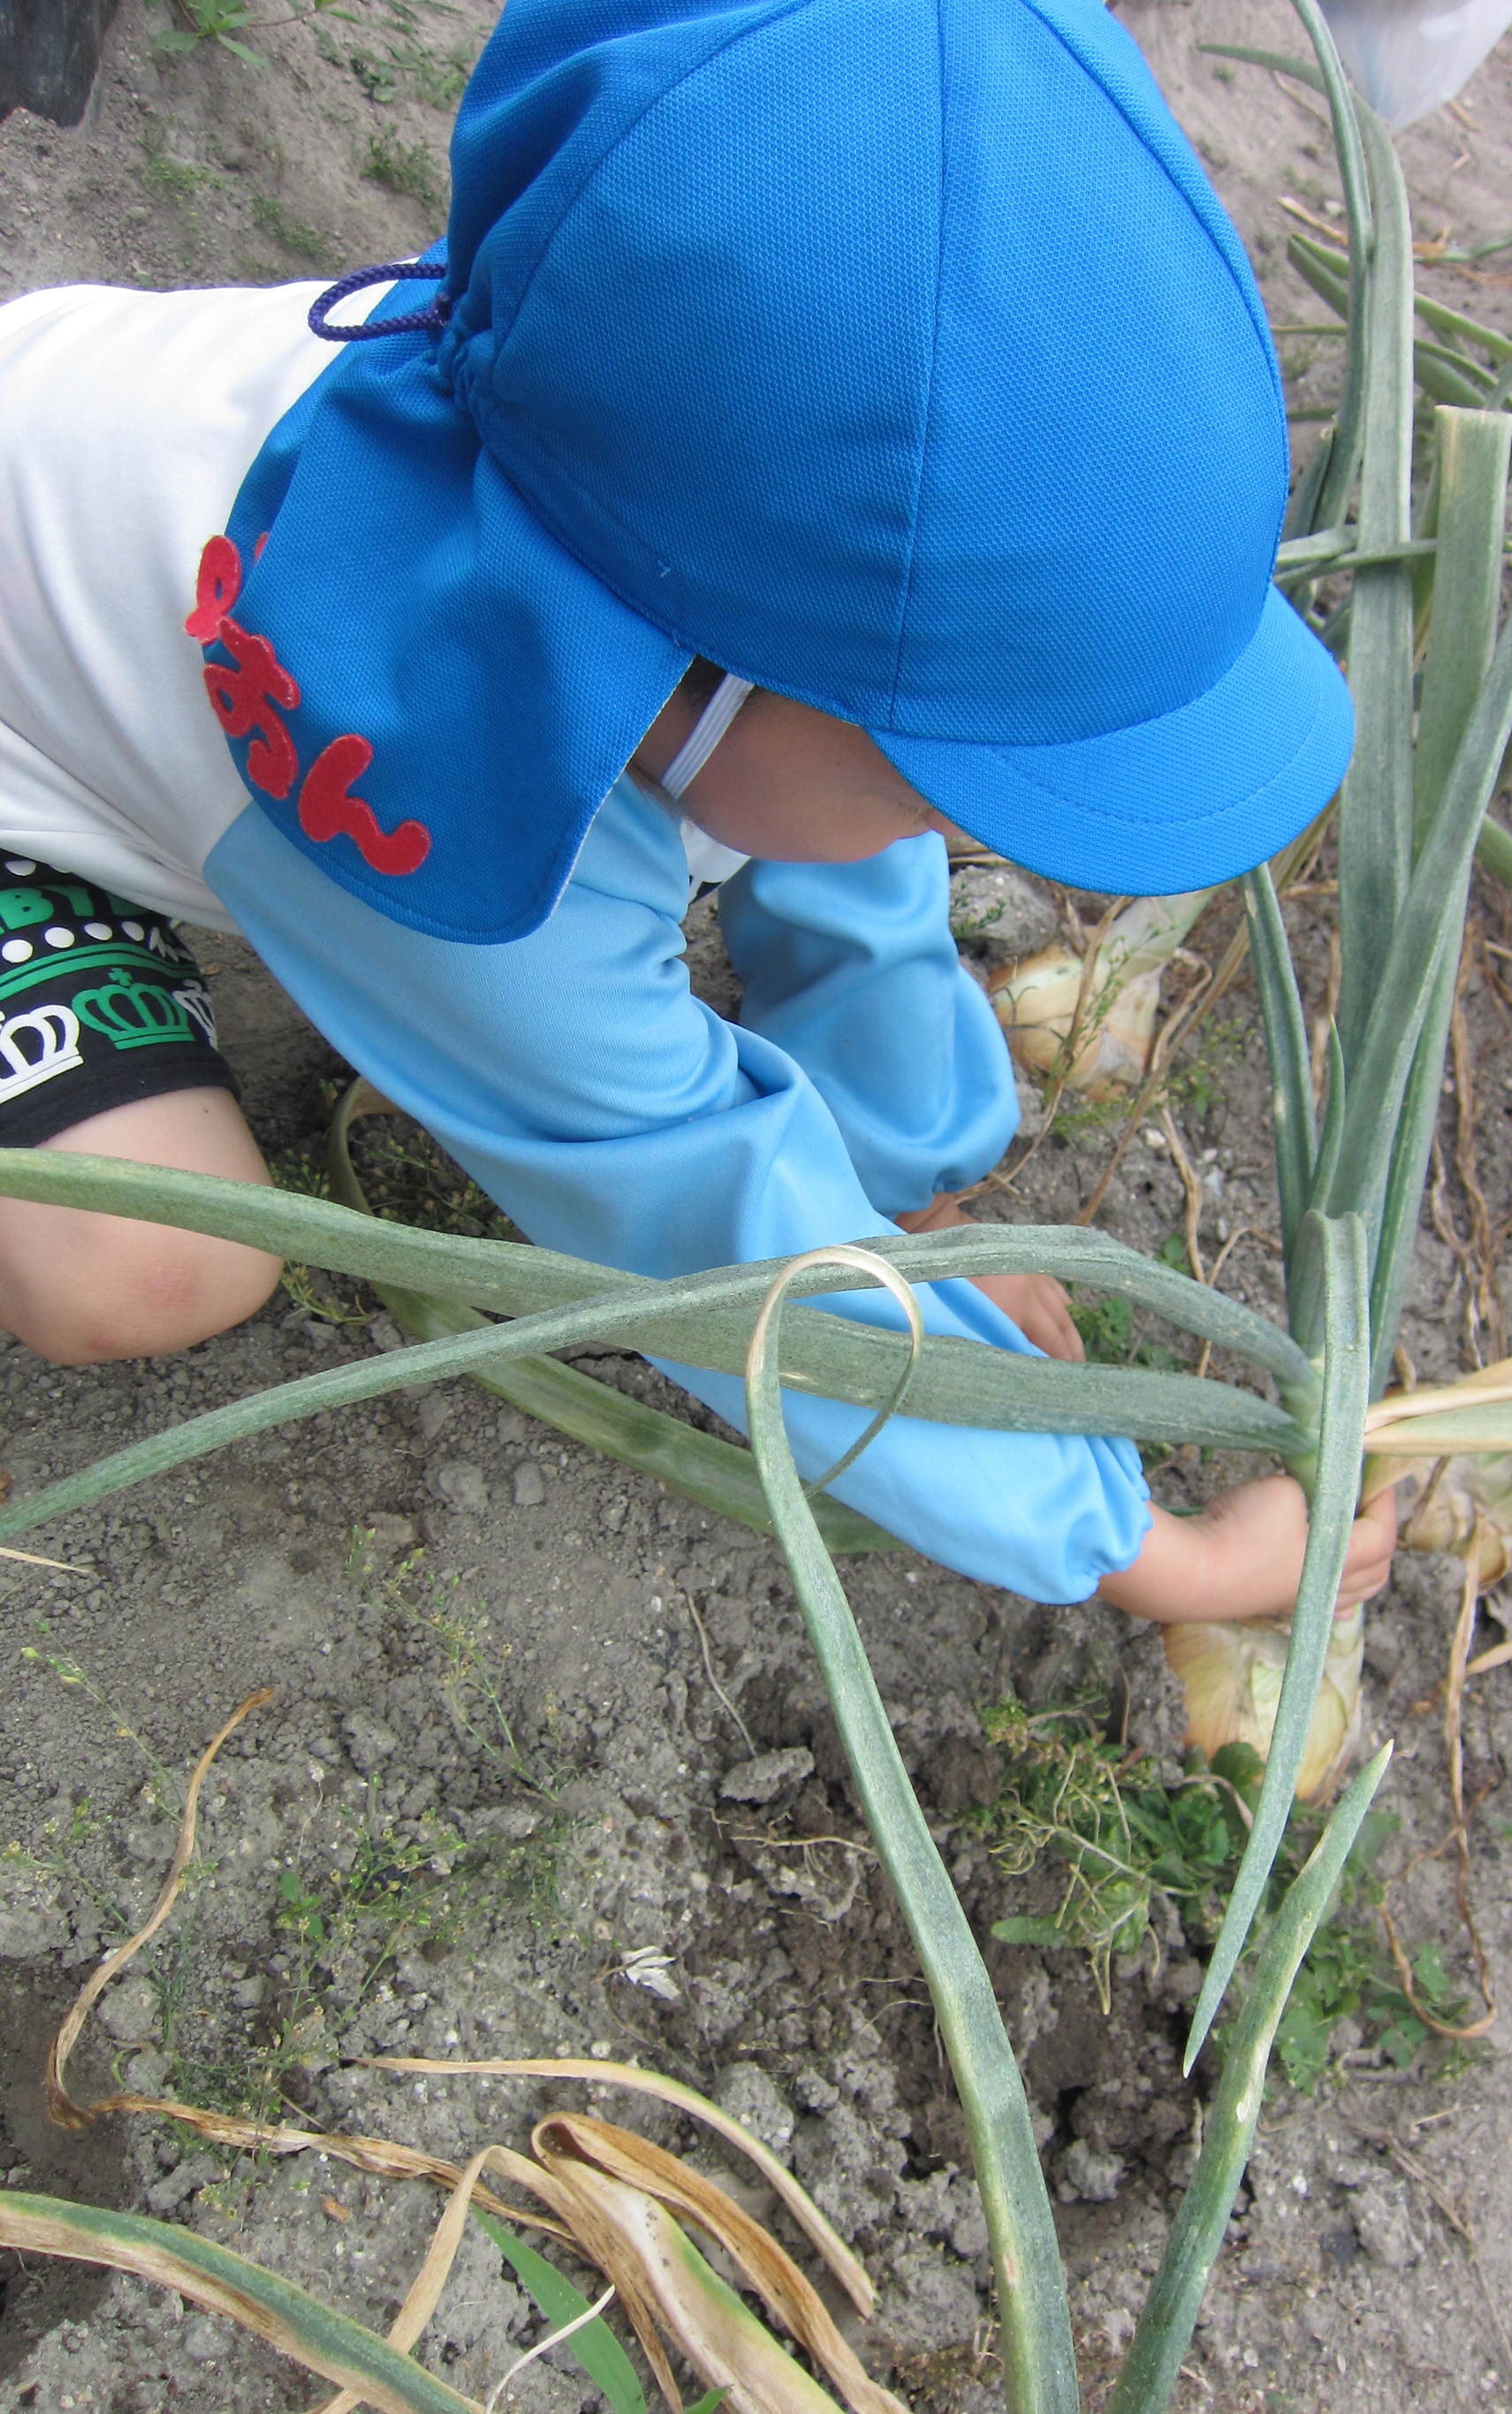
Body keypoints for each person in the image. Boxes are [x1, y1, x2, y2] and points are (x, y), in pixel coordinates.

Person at [0, 0, 1396, 1628]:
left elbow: (845, 854)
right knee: (151, 1266)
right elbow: (706, 1235)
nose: (963, 837)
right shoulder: (436, 801)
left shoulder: (677, 445)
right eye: (944, 783)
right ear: (725, 670)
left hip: (101, 527)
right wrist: (1154, 1556)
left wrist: (921, 1208)